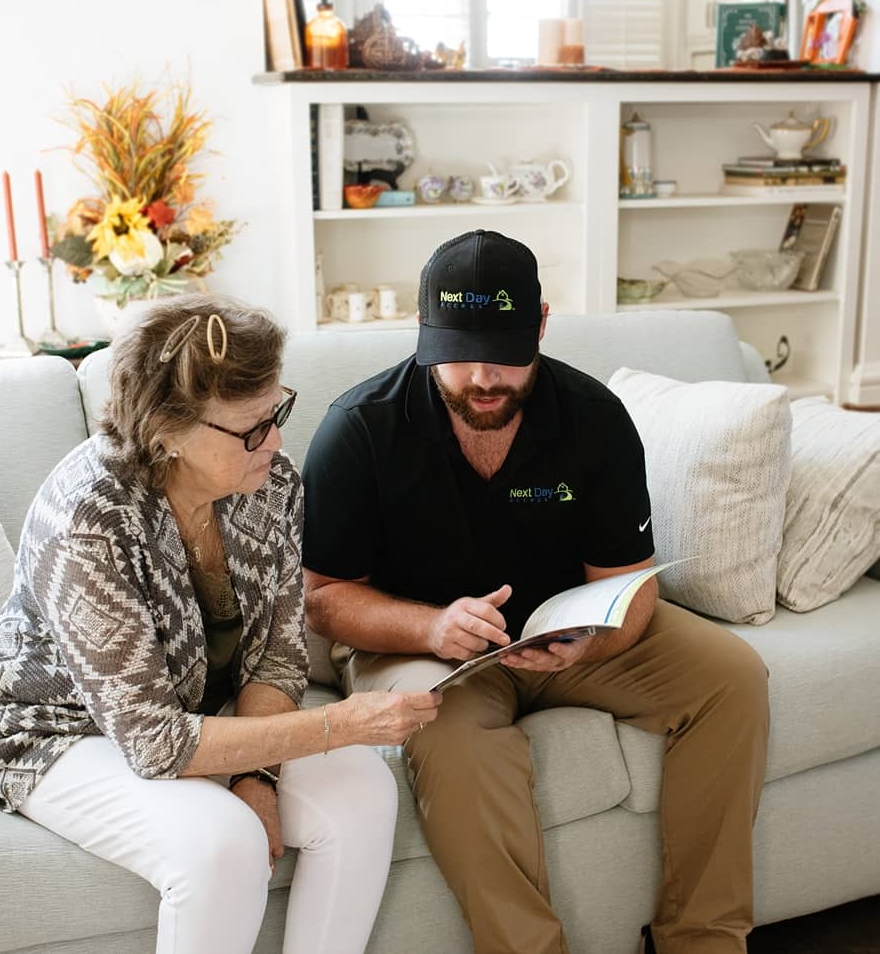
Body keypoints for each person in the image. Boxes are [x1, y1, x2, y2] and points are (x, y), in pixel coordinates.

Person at [302, 230, 770, 954]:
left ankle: (703, 942)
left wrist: (595, 637)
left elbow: (627, 581)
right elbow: (326, 596)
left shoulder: (594, 419)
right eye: (459, 354)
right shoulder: (359, 430)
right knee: (444, 731)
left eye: (506, 351)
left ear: (542, 325)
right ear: (424, 334)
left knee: (732, 677)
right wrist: (430, 628)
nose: (483, 377)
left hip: (571, 633)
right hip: (423, 645)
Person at [0, 294, 440, 954]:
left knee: (362, 789)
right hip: (64, 734)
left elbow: (277, 656)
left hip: (201, 718)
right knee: (222, 846)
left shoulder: (270, 482)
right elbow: (153, 743)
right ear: (168, 431)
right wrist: (344, 723)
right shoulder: (89, 523)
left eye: (277, 412)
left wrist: (260, 776)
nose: (273, 439)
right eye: (251, 427)